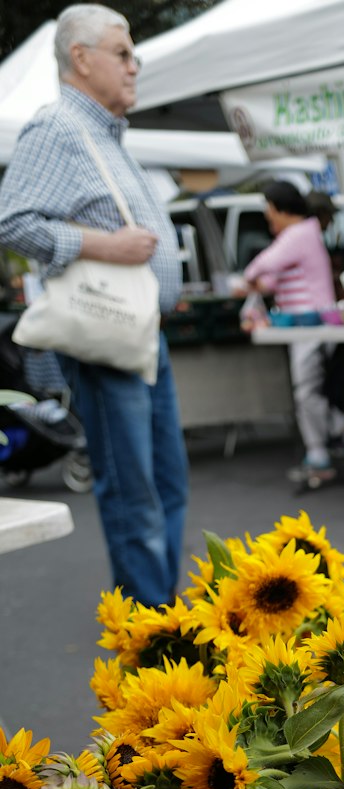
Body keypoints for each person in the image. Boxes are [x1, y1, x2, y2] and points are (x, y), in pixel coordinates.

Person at [0, 3, 188, 607]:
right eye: (123, 52)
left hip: (137, 333)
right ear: (81, 59)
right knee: (135, 486)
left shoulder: (101, 132)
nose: (136, 65)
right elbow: (12, 221)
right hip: (110, 336)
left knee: (165, 481)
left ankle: (160, 613)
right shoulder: (59, 127)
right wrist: (107, 245)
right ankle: (151, 626)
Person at [244, 180, 344, 485]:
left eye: (269, 214)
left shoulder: (299, 233)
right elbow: (274, 279)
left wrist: (247, 280)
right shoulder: (301, 236)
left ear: (280, 208)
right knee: (307, 392)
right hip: (303, 326)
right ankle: (331, 445)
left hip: (312, 326)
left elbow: (262, 266)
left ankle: (336, 443)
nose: (269, 221)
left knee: (306, 392)